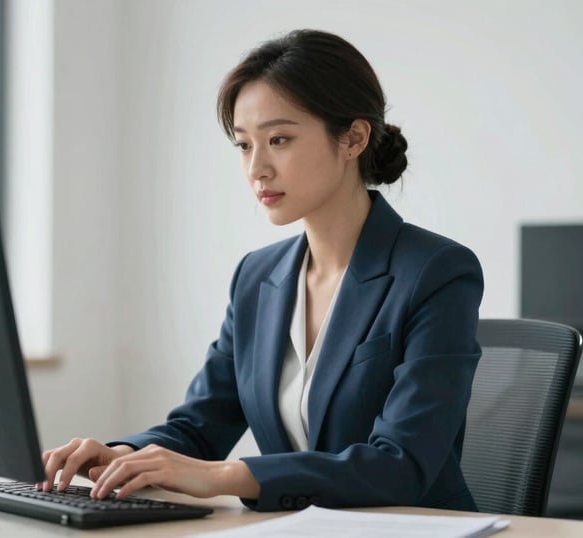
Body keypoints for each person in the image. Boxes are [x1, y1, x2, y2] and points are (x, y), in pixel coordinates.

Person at [40, 29, 484, 512]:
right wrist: (123, 455)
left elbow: (400, 465)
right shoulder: (258, 277)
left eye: (278, 139)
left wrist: (226, 476)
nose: (257, 169)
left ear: (353, 138)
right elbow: (202, 424)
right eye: (244, 145)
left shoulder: (436, 272)